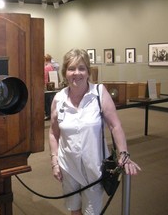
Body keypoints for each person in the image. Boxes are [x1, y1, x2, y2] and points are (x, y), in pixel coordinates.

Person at [49, 48, 141, 215]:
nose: (76, 73)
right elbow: (53, 133)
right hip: (67, 166)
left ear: (88, 72)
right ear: (64, 72)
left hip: (95, 167)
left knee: (91, 212)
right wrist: (55, 161)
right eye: (71, 68)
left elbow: (115, 126)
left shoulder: (99, 93)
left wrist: (124, 154)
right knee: (74, 209)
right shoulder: (59, 98)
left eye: (81, 68)